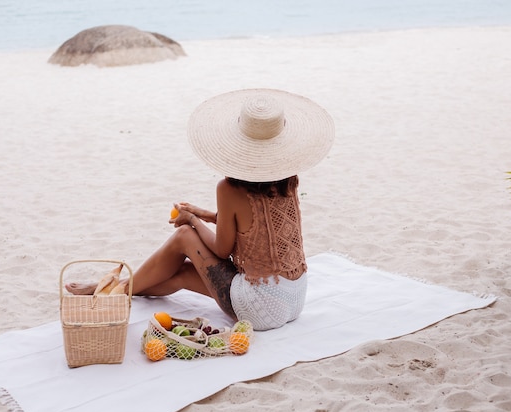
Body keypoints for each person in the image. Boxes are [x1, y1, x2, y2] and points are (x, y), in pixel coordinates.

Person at [66, 88, 334, 330]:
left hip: (260, 309)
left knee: (184, 236)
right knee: (181, 273)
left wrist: (192, 220)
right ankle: (116, 290)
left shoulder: (229, 189)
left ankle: (111, 289)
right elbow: (252, 229)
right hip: (295, 297)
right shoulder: (288, 180)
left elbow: (221, 249)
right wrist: (203, 213)